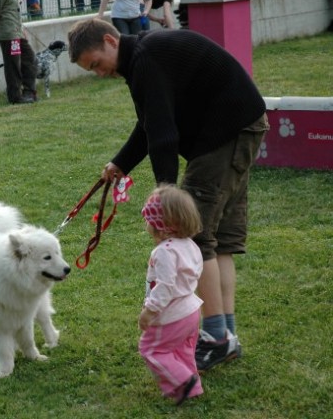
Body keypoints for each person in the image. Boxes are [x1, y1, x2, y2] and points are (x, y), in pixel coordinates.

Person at [67, 19, 270, 372]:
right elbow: (150, 123)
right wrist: (121, 163)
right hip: (240, 126)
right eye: (91, 70)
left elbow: (163, 134)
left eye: (96, 63)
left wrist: (165, 192)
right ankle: (226, 336)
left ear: (109, 40)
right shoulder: (142, 58)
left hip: (226, 132)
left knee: (194, 237)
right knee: (218, 241)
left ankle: (217, 337)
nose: (98, 73)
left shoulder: (146, 58)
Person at [138, 185, 203, 405]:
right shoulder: (189, 245)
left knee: (151, 349)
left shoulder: (165, 252)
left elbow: (165, 286)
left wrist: (149, 311)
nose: (146, 224)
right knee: (182, 350)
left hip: (171, 314)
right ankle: (192, 388)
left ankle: (184, 381)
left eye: (149, 220)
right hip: (191, 311)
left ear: (163, 227)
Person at [0, 0, 37, 104]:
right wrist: (7, 24)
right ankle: (14, 97)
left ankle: (29, 91)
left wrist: (21, 29)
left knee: (29, 58)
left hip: (17, 32)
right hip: (9, 34)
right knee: (12, 65)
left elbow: (15, 12)